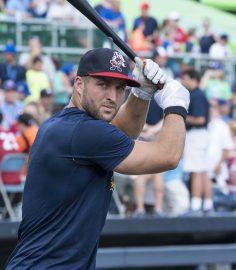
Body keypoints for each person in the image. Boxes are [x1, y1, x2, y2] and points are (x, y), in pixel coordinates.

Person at [5, 47, 190, 269]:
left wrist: (142, 93)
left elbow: (121, 133)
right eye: (103, 85)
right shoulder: (84, 132)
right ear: (79, 84)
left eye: (120, 88)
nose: (112, 96)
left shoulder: (65, 125)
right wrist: (176, 105)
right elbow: (168, 156)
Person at [181, 69, 211, 213]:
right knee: (203, 170)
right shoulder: (199, 94)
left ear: (193, 79)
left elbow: (200, 119)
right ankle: (207, 203)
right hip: (202, 135)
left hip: (197, 135)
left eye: (185, 78)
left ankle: (196, 204)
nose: (183, 81)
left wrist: (180, 116)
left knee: (196, 170)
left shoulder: (197, 95)